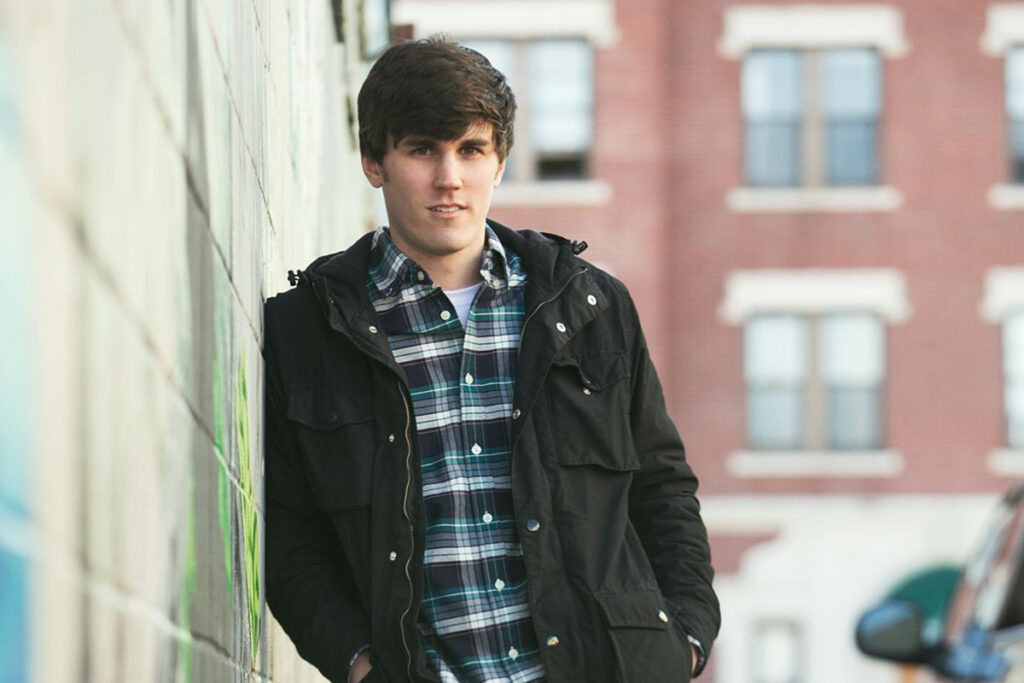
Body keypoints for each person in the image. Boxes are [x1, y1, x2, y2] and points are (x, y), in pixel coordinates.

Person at [263, 37, 720, 683]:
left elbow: (662, 484)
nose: (450, 178)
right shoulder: (309, 329)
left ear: (499, 162)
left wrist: (688, 636)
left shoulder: (589, 305)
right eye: (423, 149)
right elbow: (288, 532)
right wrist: (360, 664)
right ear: (374, 161)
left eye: (471, 150)